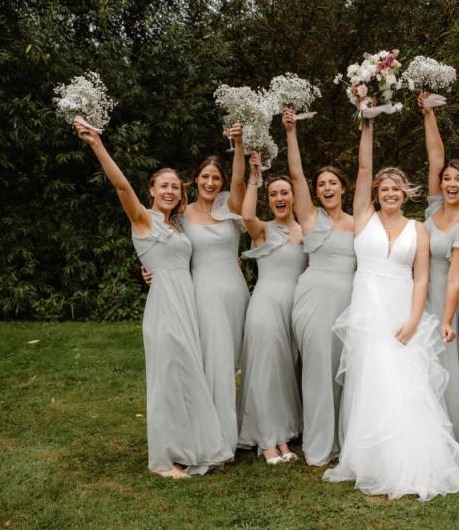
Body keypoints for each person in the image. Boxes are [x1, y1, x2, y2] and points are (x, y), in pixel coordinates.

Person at [74, 122, 232, 478]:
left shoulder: (177, 225)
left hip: (186, 304)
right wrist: (97, 144)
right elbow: (121, 186)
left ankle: (190, 448)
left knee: (187, 378)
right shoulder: (143, 219)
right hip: (165, 308)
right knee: (168, 382)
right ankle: (164, 460)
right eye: (164, 186)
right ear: (151, 190)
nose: (170, 191)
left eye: (175, 186)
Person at [322, 118, 459, 501]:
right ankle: (371, 461)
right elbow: (363, 168)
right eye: (384, 189)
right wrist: (367, 125)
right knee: (371, 381)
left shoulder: (418, 229)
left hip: (402, 312)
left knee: (405, 384)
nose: (389, 193)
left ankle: (410, 461)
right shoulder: (363, 217)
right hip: (367, 311)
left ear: (405, 194)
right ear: (375, 193)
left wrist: (415, 320)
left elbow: (422, 278)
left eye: (396, 189)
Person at [282, 107, 355, 466]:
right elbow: (296, 176)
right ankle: (319, 443)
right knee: (317, 369)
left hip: (348, 302)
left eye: (332, 183)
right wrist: (291, 133)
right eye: (321, 184)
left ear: (344, 188)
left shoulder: (358, 223)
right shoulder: (309, 217)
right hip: (313, 300)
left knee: (344, 368)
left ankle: (345, 440)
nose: (326, 188)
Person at [176, 123, 249, 451]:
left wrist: (239, 144)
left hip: (234, 291)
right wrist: (150, 271)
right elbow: (167, 247)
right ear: (195, 180)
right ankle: (217, 440)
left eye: (216, 178)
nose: (210, 183)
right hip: (202, 292)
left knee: (229, 362)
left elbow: (240, 180)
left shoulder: (230, 208)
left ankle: (232, 427)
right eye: (205, 177)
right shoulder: (182, 214)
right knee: (213, 363)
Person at [236, 152, 307, 464]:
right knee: (265, 371)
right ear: (268, 200)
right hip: (265, 306)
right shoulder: (262, 229)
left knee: (285, 373)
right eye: (274, 194)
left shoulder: (305, 231)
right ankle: (268, 441)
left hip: (294, 309)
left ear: (293, 197)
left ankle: (283, 435)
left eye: (284, 192)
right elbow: (246, 215)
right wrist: (254, 177)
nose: (280, 198)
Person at [419, 93, 459, 454]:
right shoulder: (435, 208)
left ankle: (447, 444)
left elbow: (456, 277)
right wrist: (429, 115)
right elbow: (435, 157)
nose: (451, 183)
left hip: (444, 299)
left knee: (441, 364)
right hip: (420, 291)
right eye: (447, 179)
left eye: (458, 180)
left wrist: (446, 319)